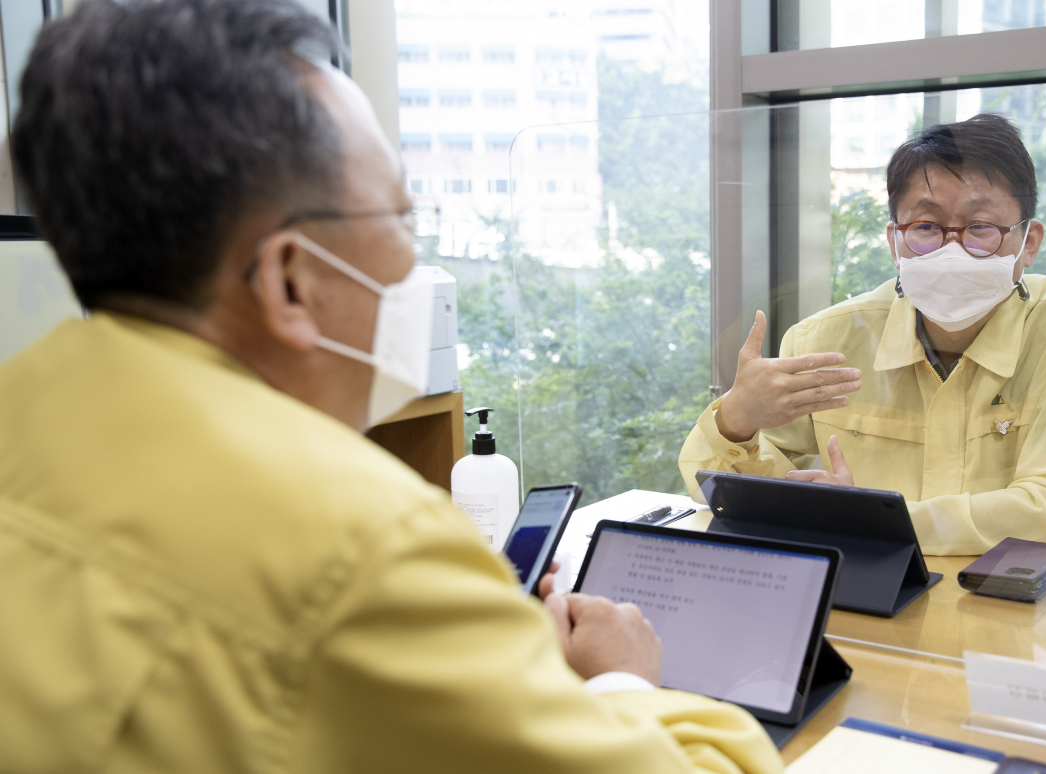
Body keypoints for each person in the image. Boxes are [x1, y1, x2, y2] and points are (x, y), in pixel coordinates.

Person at [0, 1, 781, 771]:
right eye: (399, 220)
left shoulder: (23, 409)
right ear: (291, 280)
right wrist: (620, 680)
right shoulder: (363, 546)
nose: (412, 265)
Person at [680, 114, 1046, 556]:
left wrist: (869, 521)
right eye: (926, 227)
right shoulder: (823, 341)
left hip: (1015, 593)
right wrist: (735, 423)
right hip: (864, 586)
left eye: (980, 227)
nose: (952, 248)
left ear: (1029, 242)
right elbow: (729, 497)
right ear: (894, 241)